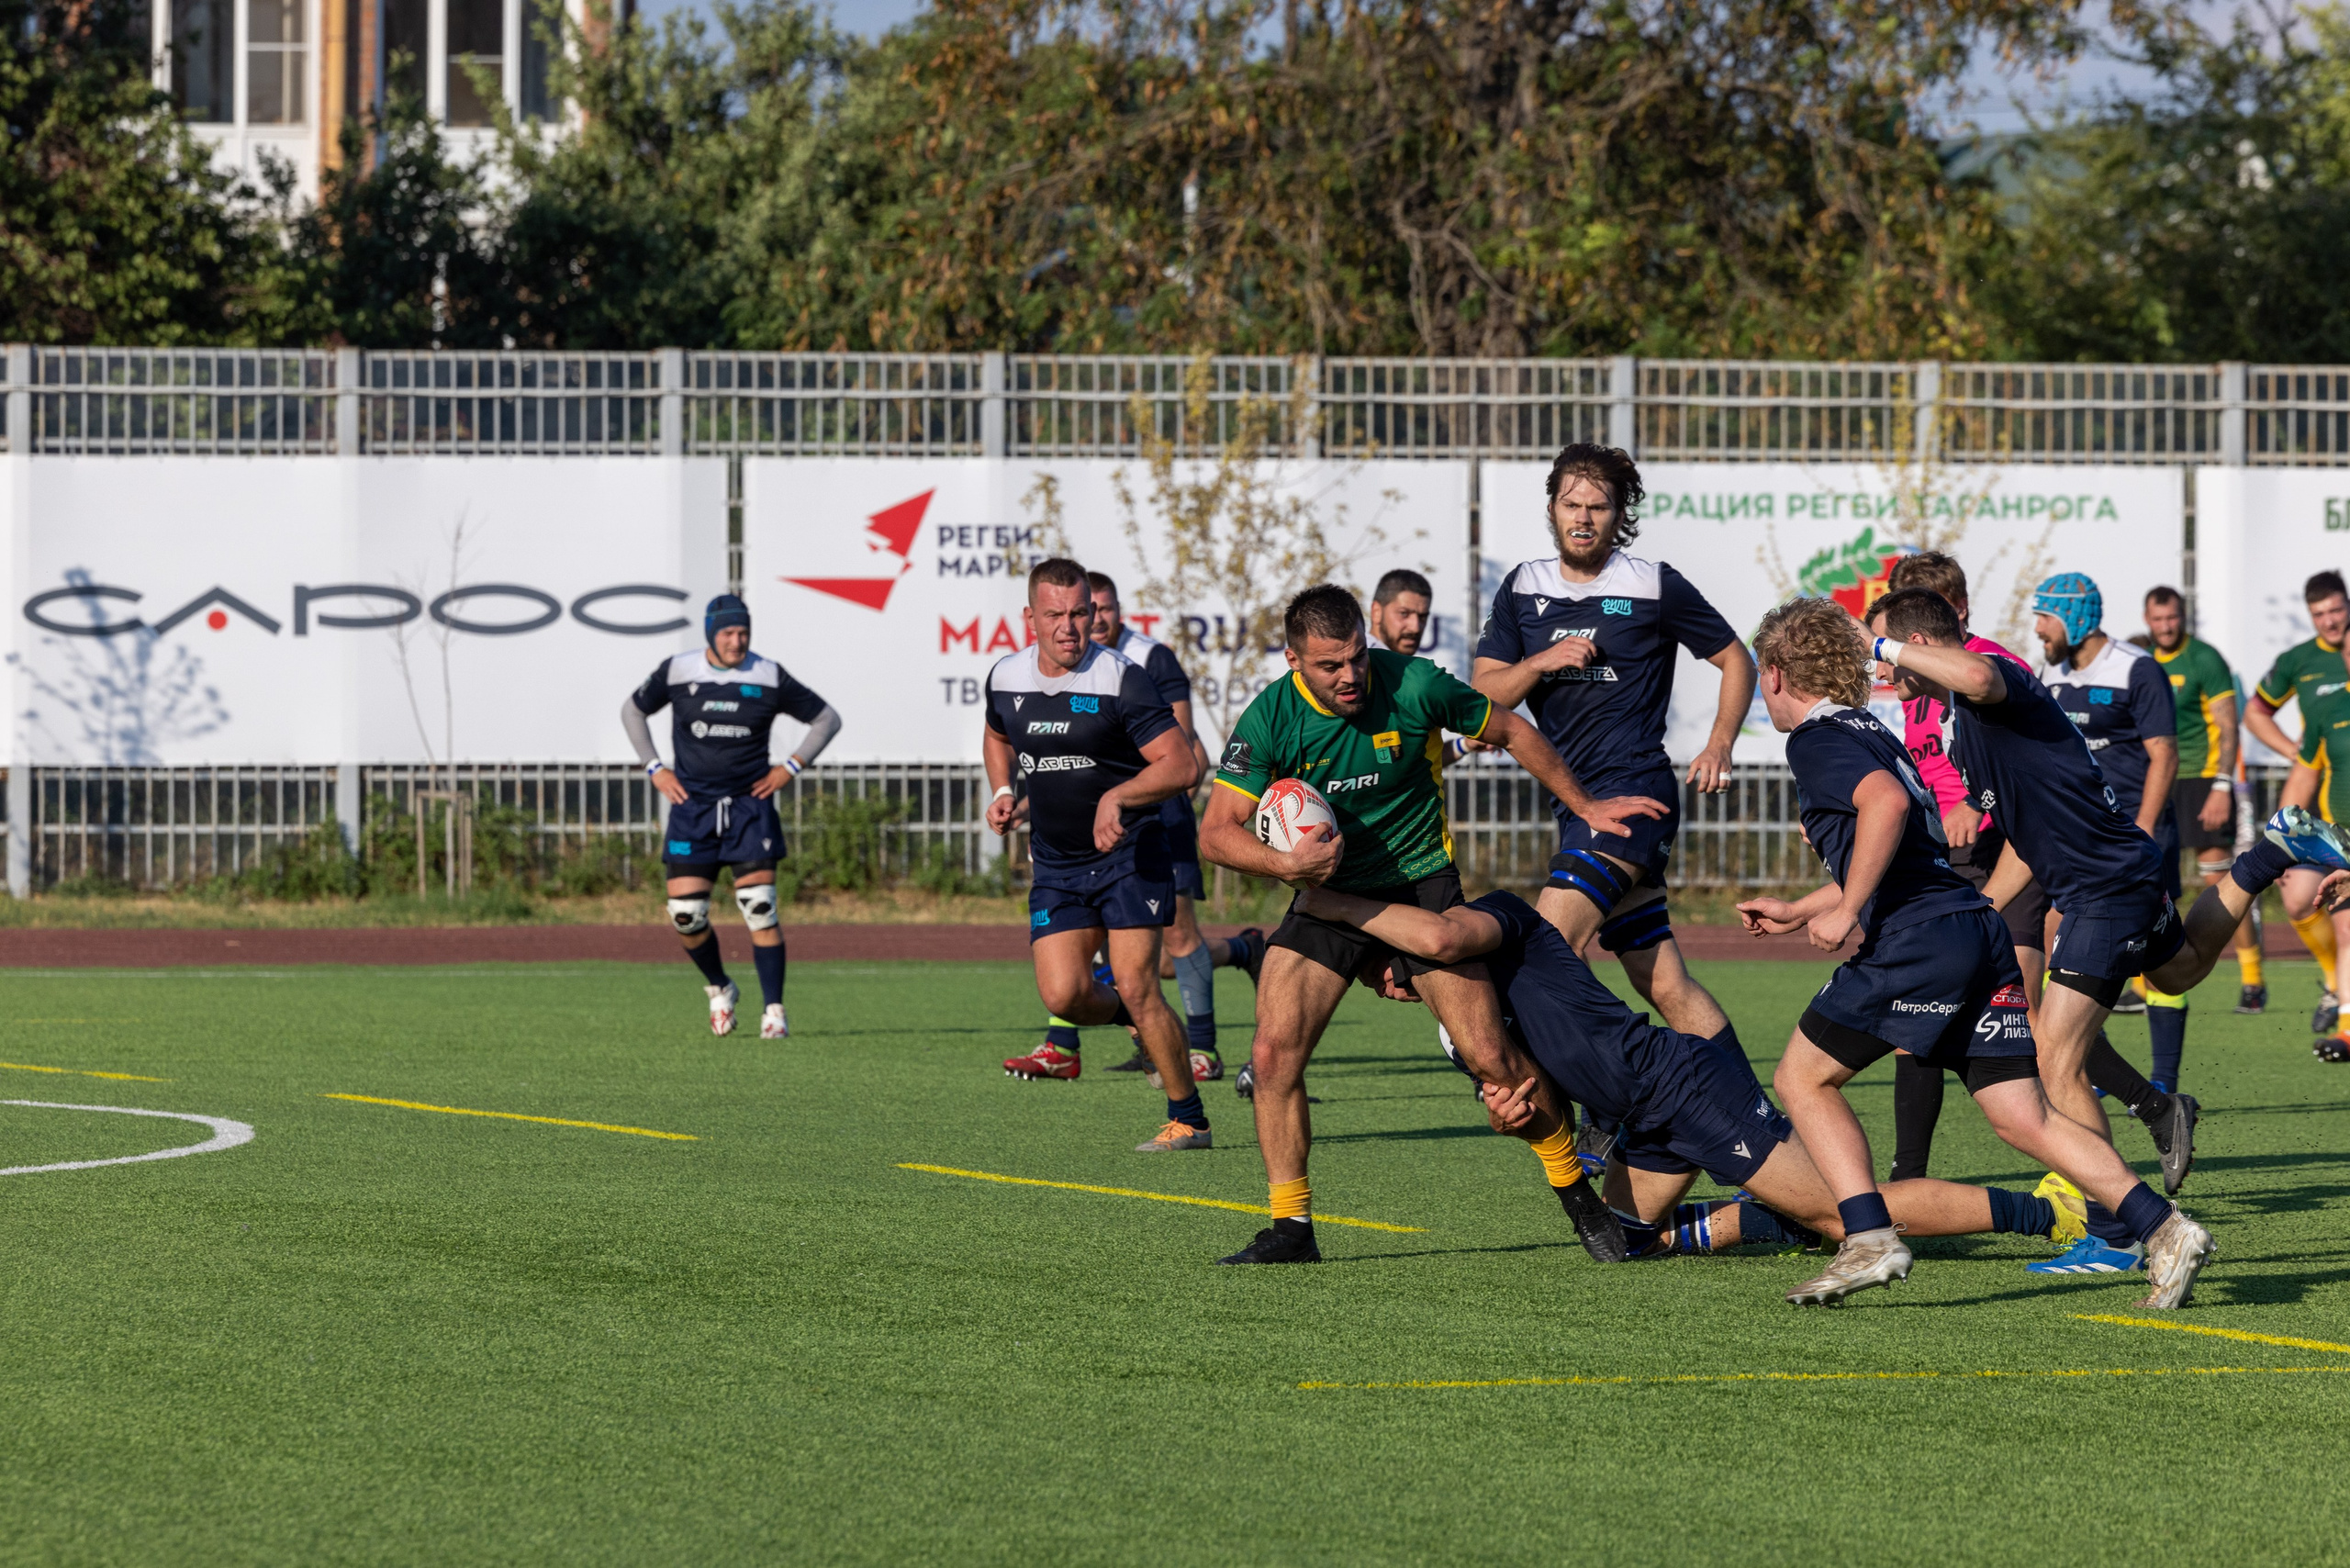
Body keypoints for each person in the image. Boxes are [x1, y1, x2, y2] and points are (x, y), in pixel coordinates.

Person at [1861, 588, 2350, 1305]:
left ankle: (2116, 1231)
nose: (1883, 667)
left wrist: (1879, 643)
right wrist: (1980, 911)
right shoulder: (1962, 728)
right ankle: (2270, 853)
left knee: (2052, 1066)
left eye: (1888, 648)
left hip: (2100, 891)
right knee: (2179, 969)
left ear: (1918, 647)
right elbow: (2026, 840)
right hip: (2111, 878)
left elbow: (1979, 674)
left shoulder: (1998, 682)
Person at [1729, 596, 2199, 1305]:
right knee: (2023, 1114)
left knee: (1801, 1079)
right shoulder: (1871, 730)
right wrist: (1803, 909)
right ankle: (2163, 1228)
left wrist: (1850, 908)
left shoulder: (1817, 741)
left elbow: (1886, 808)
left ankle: (1868, 1237)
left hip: (1918, 942)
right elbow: (1906, 849)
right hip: (1973, 928)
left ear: (1773, 674)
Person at [1198, 584, 1653, 1264]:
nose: (1349, 675)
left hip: (1421, 883)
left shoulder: (1412, 683)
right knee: (1271, 1057)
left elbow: (1511, 729)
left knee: (1489, 1058)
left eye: (1356, 656)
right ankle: (1292, 1230)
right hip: (1325, 890)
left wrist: (1583, 805)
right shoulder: (1270, 718)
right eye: (1328, 666)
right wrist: (1283, 862)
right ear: (1294, 660)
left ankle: (1577, 1194)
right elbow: (1214, 833)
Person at [1295, 884, 2091, 1271]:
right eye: (1380, 983)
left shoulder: (1498, 916)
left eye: (1390, 970)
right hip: (1642, 1119)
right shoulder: (1459, 1027)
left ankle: (2047, 1212)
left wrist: (1327, 900)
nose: (1393, 985)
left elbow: (1436, 931)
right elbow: (1542, 1098)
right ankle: (1775, 1218)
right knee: (1626, 1247)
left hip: (1683, 1088)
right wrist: (1516, 1111)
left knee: (1850, 1217)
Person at [1472, 442, 1756, 1040]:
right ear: (1551, 507)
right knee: (1663, 982)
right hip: (1574, 802)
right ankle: (1738, 1099)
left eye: (1598, 507)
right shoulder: (1523, 587)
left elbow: (1736, 659)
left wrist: (1720, 743)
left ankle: (1618, 1088)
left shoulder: (1653, 585)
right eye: (1571, 504)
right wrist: (1540, 662)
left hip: (1631, 796)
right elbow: (1487, 696)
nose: (1582, 518)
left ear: (1618, 513)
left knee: (1548, 948)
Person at [982, 559, 1210, 1154]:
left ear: (1094, 613)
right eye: (1054, 615)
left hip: (1130, 853)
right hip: (1056, 863)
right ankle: (1137, 1026)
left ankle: (1189, 1118)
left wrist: (1120, 795)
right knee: (1064, 996)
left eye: (1079, 613)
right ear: (1029, 618)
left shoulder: (1121, 679)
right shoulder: (1005, 677)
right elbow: (997, 734)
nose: (1069, 627)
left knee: (1137, 984)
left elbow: (1182, 764)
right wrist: (1004, 791)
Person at [1006, 574, 1267, 1082]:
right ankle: (1066, 1040)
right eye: (1083, 611)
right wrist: (1024, 801)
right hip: (1087, 832)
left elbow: (1182, 747)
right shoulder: (1048, 670)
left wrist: (1145, 800)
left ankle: (1204, 1048)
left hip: (1154, 817)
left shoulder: (1147, 660)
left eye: (1099, 610)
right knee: (1091, 949)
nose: (1091, 620)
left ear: (1116, 612)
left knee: (1177, 941)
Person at [1871, 553, 2049, 1183]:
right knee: (1918, 1010)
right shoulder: (1921, 691)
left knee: (2026, 1019)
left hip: (2011, 849)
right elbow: (1926, 773)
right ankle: (1907, 1178)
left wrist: (1977, 802)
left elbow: (2023, 758)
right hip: (1954, 858)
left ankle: (2127, 1127)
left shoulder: (1985, 667)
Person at [623, 593, 842, 1039]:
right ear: (710, 633)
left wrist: (791, 767)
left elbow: (826, 719)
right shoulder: (678, 671)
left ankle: (774, 1011)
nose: (736, 641)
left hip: (749, 809)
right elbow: (632, 711)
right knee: (686, 914)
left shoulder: (767, 674)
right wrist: (654, 768)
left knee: (759, 909)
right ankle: (720, 988)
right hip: (693, 809)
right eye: (727, 632)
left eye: (743, 632)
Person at [2144, 585, 2263, 1026]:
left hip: (2203, 781)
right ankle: (2142, 986)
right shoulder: (2143, 660)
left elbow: (2229, 727)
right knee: (2148, 885)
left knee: (2224, 883)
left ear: (2183, 616)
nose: (2165, 627)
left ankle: (2253, 982)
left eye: (2172, 618)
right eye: (2157, 620)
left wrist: (2222, 785)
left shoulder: (2205, 659)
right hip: (2159, 780)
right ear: (2147, 620)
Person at [2245, 570, 2350, 1039]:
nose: (2330, 622)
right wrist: (2299, 752)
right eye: (2319, 614)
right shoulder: (2302, 664)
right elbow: (2256, 713)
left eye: (2336, 611)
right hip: (2331, 818)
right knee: (2295, 894)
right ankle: (2336, 986)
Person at [1367, 569, 1434, 657]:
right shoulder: (1358, 664)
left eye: (1422, 617)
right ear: (1376, 612)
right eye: (1404, 613)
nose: (1415, 628)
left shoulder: (1411, 667)